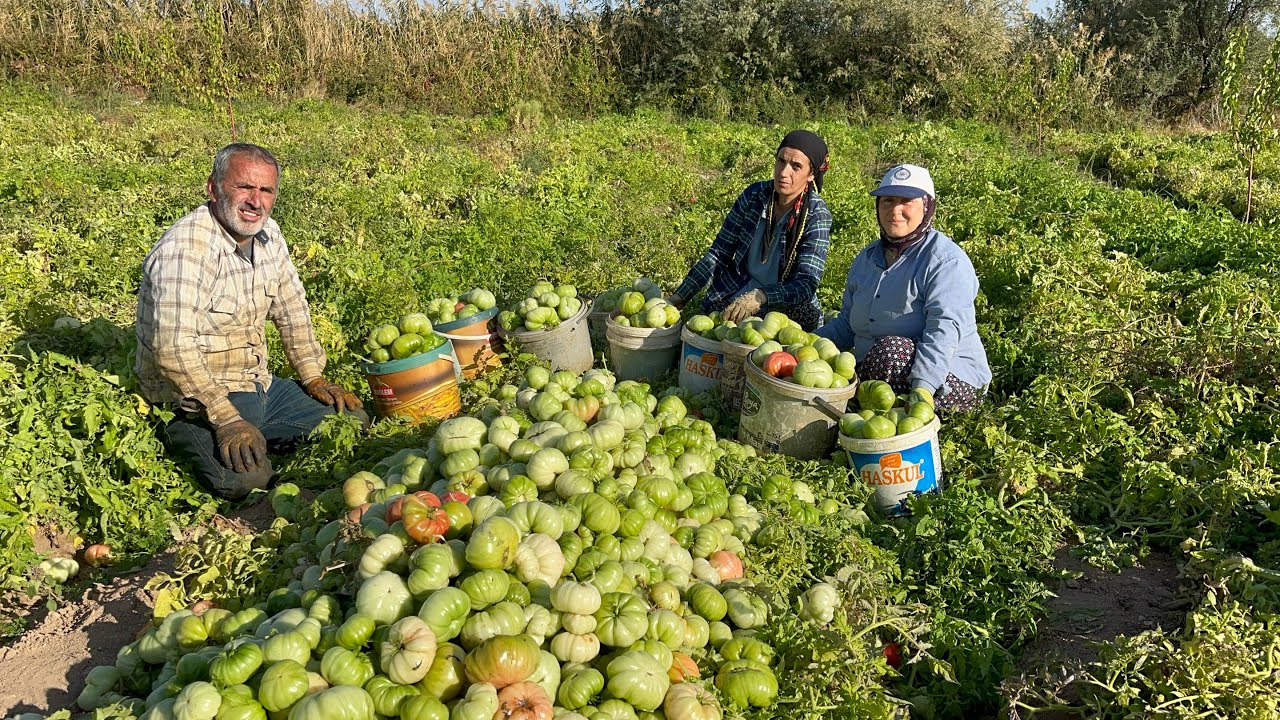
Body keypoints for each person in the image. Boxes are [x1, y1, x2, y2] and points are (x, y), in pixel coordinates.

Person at [135, 143, 367, 499]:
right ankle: (210, 439)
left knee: (351, 421)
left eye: (266, 190)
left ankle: (260, 434)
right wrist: (226, 419)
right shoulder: (186, 251)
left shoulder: (268, 234)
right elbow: (173, 349)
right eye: (244, 187)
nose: (255, 201)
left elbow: (291, 307)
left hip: (257, 384)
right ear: (213, 188)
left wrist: (312, 375)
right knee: (245, 482)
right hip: (195, 400)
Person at [818, 164, 991, 412]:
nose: (895, 210)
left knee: (891, 351)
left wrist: (922, 391)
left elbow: (942, 333)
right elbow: (847, 323)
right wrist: (807, 346)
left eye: (906, 201)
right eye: (887, 200)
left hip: (948, 379)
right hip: (879, 375)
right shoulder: (867, 259)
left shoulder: (946, 261)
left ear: (927, 206)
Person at [667, 130, 832, 330]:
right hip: (741, 288)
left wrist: (762, 296)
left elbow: (806, 283)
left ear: (811, 174)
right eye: (781, 161)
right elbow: (719, 254)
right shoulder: (754, 196)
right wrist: (681, 295)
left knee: (786, 326)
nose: (783, 172)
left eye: (796, 166)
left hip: (783, 301)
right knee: (716, 320)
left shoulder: (816, 214)